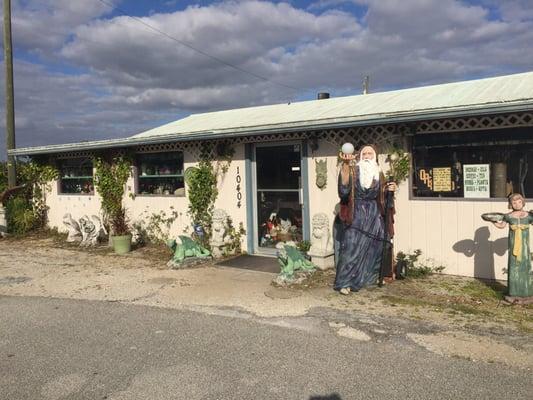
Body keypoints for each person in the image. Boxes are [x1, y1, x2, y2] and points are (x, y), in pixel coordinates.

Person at [335, 145, 396, 295]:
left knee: (375, 246)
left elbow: (384, 197)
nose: (367, 156)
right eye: (365, 153)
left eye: (370, 153)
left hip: (375, 214)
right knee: (351, 246)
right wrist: (345, 164)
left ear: (374, 156)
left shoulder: (379, 174)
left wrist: (390, 190)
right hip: (357, 213)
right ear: (361, 156)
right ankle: (345, 282)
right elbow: (344, 191)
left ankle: (369, 278)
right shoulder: (353, 171)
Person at [492, 193, 533, 299]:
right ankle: (513, 292)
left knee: (525, 266)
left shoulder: (529, 216)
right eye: (514, 202)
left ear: (523, 202)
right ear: (510, 204)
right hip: (513, 246)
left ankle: (526, 291)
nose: (517, 204)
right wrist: (493, 221)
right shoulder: (508, 216)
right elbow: (501, 225)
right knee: (514, 267)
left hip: (524, 248)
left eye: (519, 202)